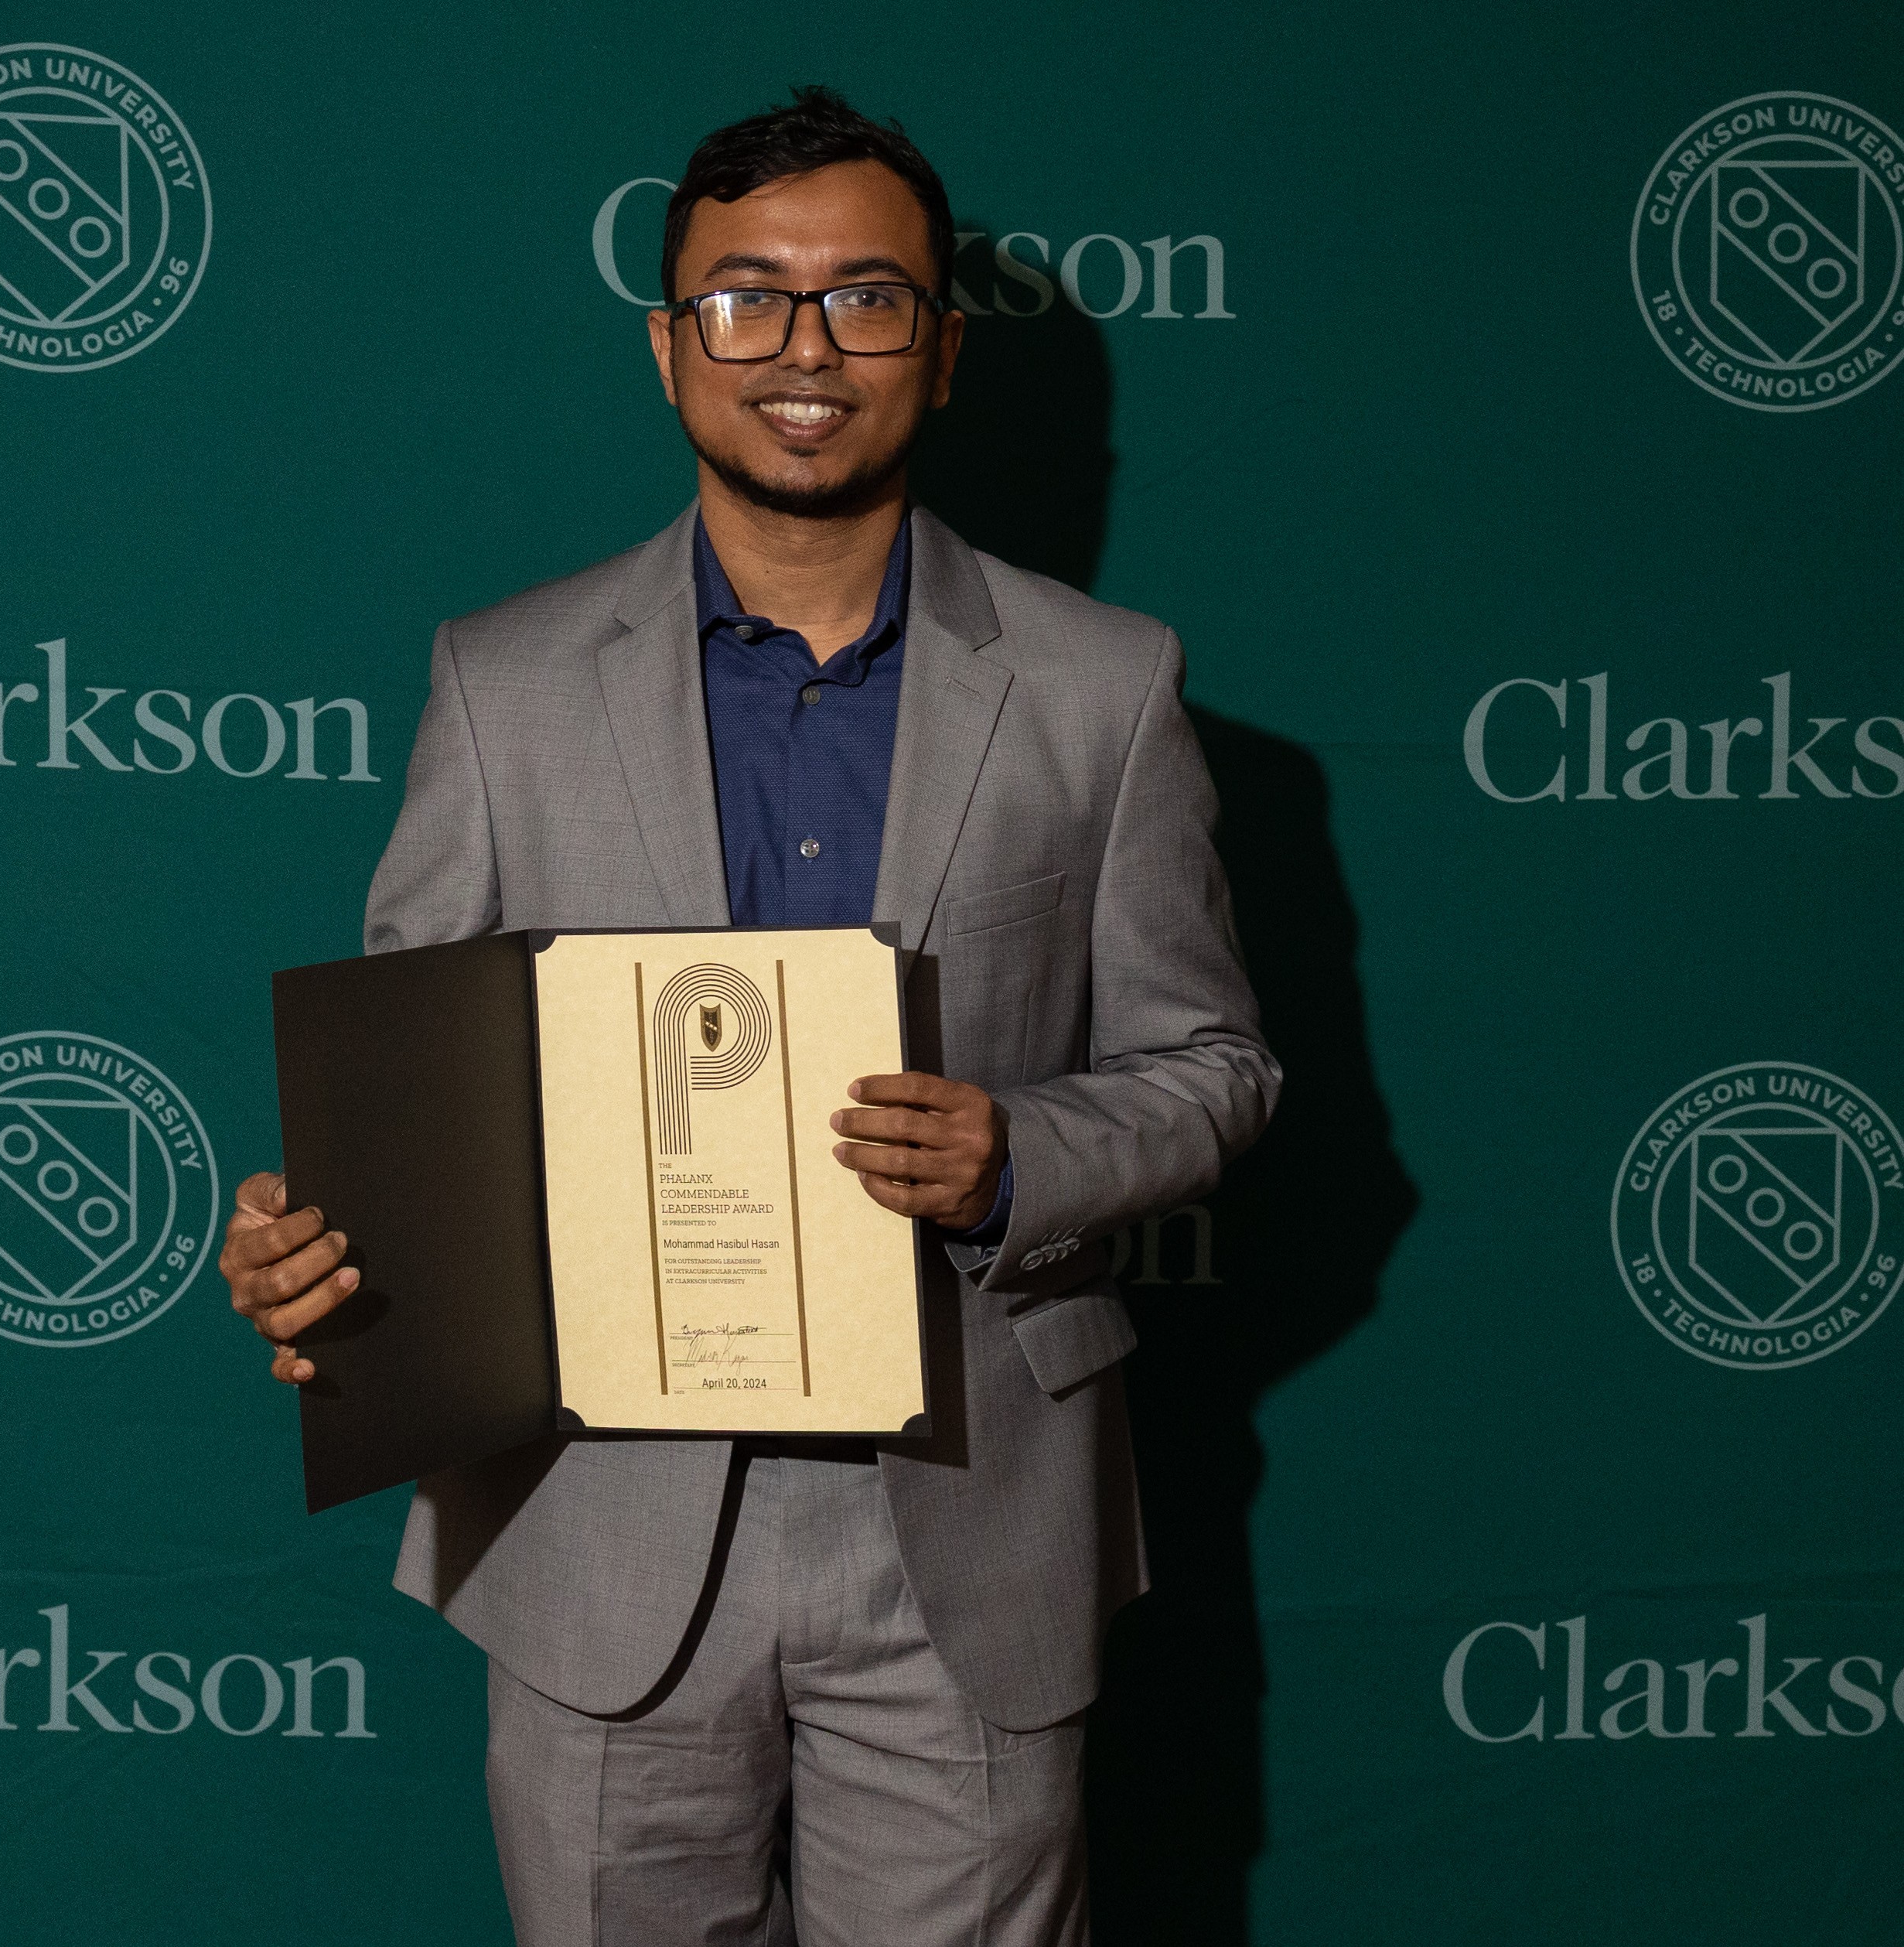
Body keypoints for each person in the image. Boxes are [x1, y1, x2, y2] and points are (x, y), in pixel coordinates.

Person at [220, 87, 1278, 1947]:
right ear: (669, 345)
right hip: (597, 1520)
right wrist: (321, 1250)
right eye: (745, 299)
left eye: (864, 300)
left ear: (941, 353)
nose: (802, 349)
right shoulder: (504, 678)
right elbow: (403, 1087)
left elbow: (1216, 1068)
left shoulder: (1103, 688)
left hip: (962, 1509)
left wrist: (1021, 1145)